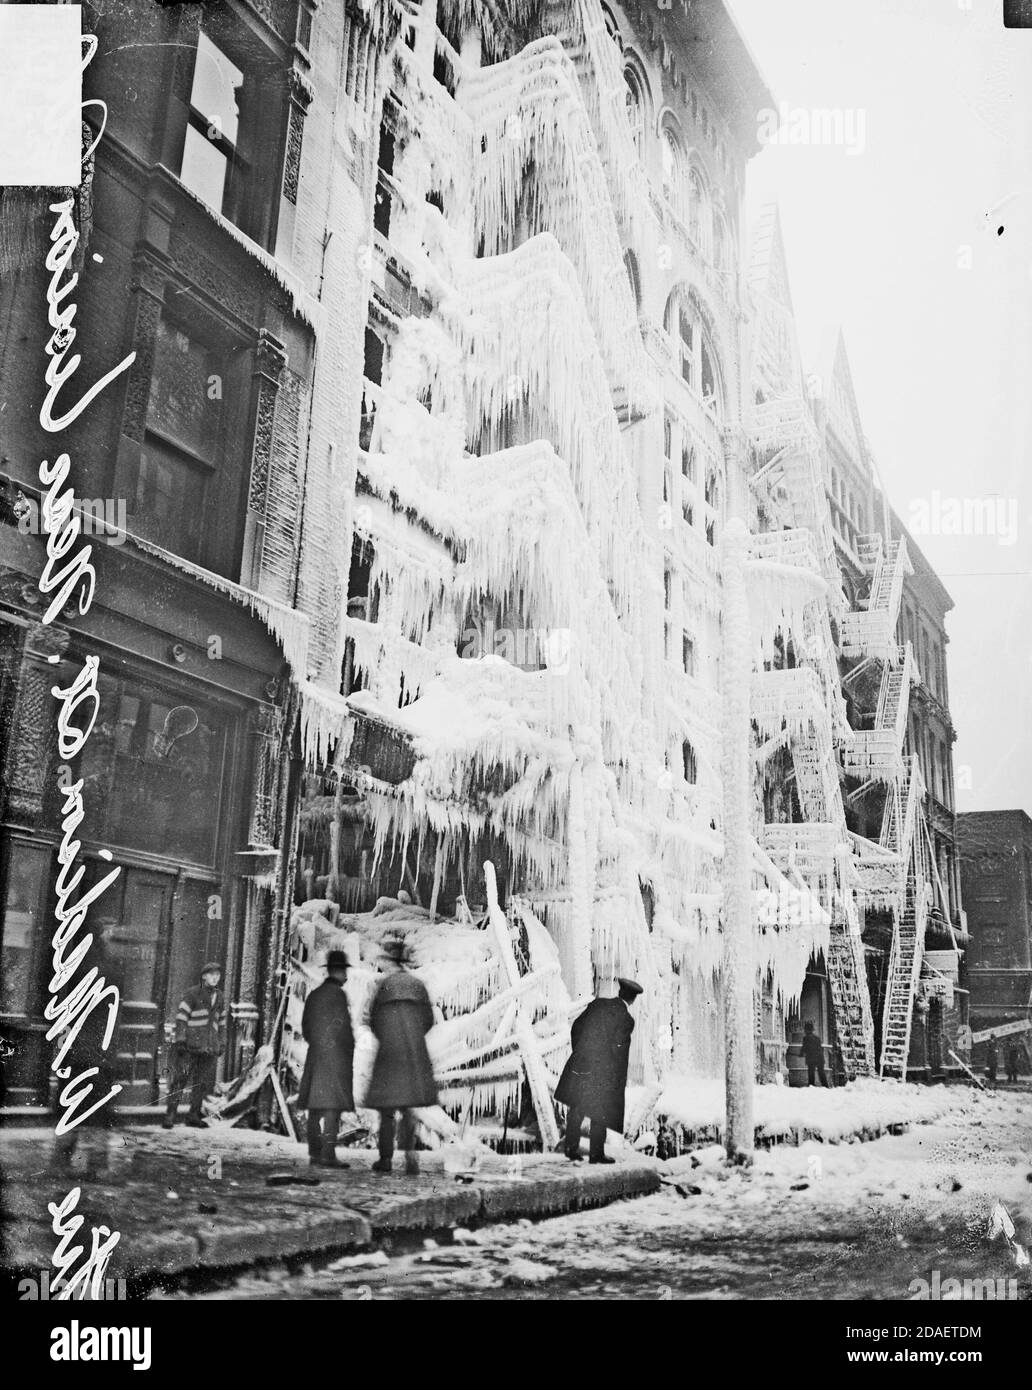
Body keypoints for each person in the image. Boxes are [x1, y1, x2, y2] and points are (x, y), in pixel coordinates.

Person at [50, 928, 122, 1177]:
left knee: (71, 1110)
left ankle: (61, 1162)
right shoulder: (110, 974)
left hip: (76, 1054)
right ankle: (96, 1166)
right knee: (98, 1114)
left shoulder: (75, 973)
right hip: (97, 1056)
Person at [365, 934, 437, 1175]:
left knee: (386, 1111)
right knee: (407, 1109)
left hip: (389, 1055)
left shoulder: (384, 986)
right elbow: (429, 1020)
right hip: (413, 1054)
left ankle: (385, 1159)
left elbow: (373, 1020)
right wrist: (413, 1038)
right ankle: (410, 1159)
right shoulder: (418, 986)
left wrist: (388, 1038)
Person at [555, 978, 643, 1164]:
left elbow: (576, 1027)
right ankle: (596, 1154)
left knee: (577, 1108)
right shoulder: (626, 1020)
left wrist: (579, 1053)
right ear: (633, 999)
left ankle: (571, 1149)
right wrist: (617, 1080)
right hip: (603, 1073)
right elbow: (620, 1053)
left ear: (619, 992)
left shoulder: (597, 1004)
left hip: (581, 1066)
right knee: (600, 1113)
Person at [298, 949, 355, 1168]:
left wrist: (319, 1044)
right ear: (337, 972)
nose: (346, 977)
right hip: (336, 1059)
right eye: (344, 972)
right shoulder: (338, 996)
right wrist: (346, 1049)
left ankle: (314, 1153)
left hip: (316, 1057)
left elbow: (306, 1028)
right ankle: (329, 1155)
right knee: (332, 1108)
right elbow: (342, 1028)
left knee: (315, 1108)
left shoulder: (314, 995)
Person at [163, 961, 225, 1128]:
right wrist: (181, 1039)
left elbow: (222, 1021)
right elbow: (182, 1017)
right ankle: (170, 1115)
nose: (215, 978)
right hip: (190, 1045)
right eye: (212, 974)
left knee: (202, 1083)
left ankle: (193, 1115)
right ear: (204, 976)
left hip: (209, 1046)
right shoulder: (192, 993)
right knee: (180, 1080)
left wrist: (221, 1043)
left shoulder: (220, 996)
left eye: (217, 975)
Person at [802, 1021, 829, 1087]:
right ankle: (826, 1086)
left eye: (805, 1030)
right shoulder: (817, 1038)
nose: (805, 1031)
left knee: (811, 1073)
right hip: (820, 1058)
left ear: (807, 1030)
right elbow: (820, 1048)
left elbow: (804, 1048)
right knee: (821, 1073)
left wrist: (801, 1054)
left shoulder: (806, 1038)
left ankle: (811, 1086)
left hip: (812, 1058)